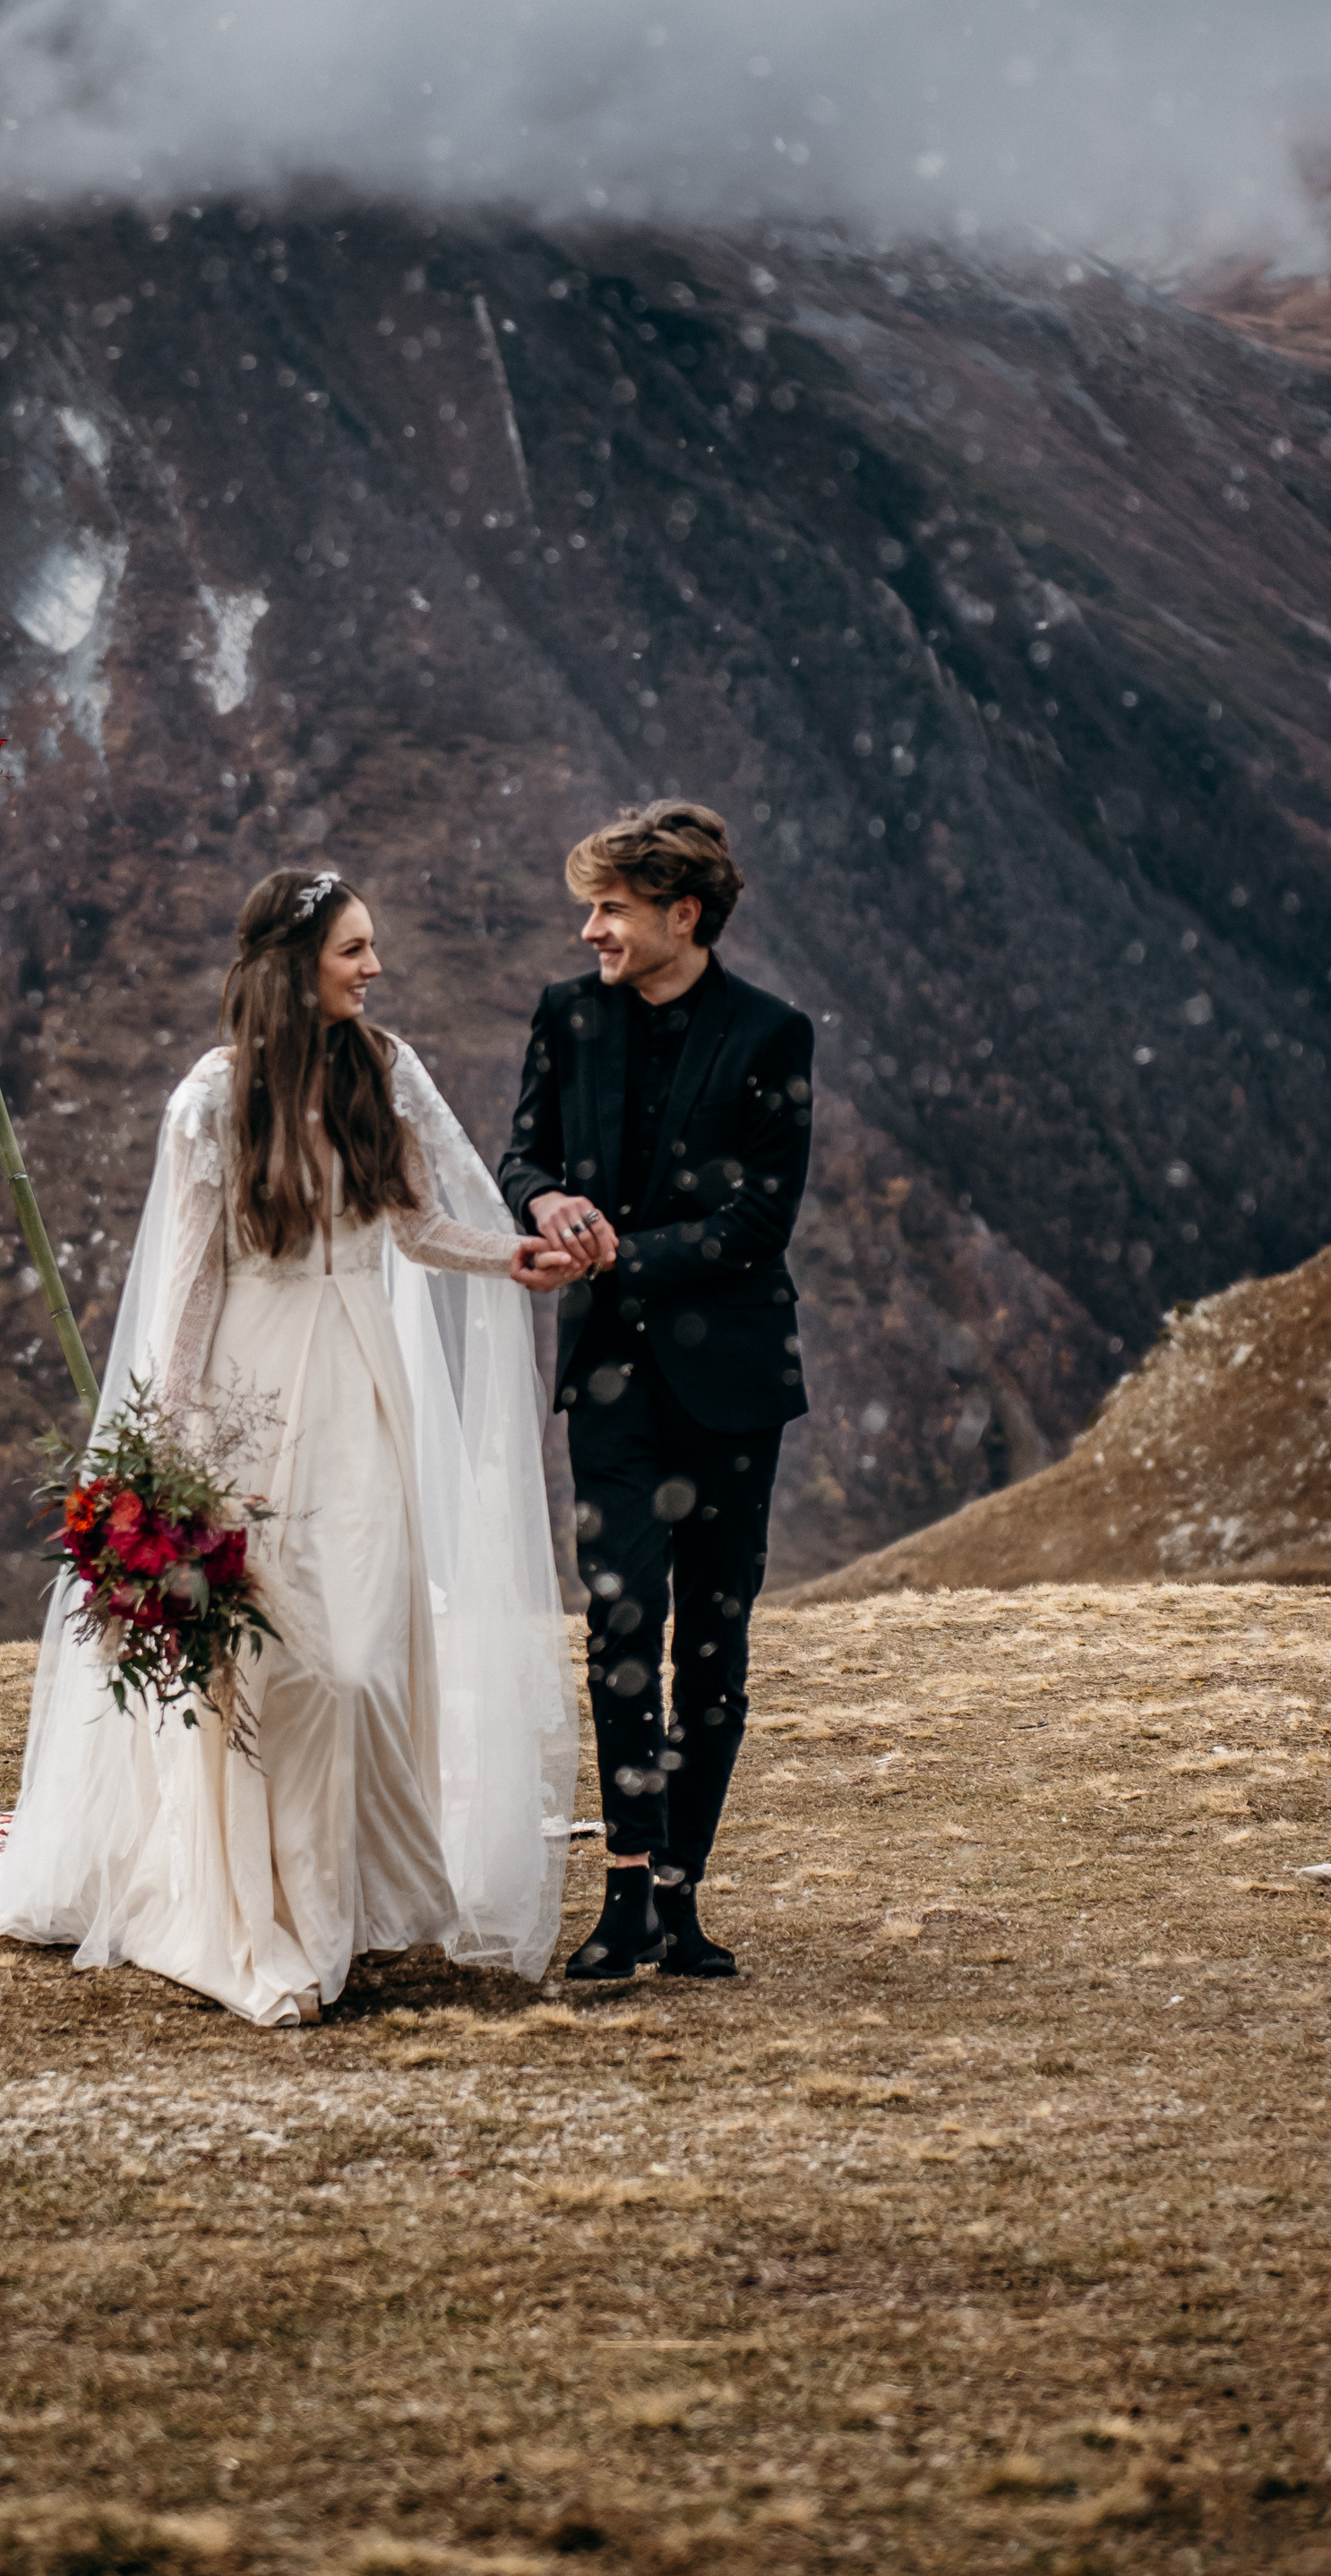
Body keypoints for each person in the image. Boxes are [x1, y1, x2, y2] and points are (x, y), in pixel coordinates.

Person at [0, 868, 580, 2026]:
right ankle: (260, 1915)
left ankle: (347, 1899)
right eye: (353, 950)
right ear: (293, 966)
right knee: (277, 1662)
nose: (375, 968)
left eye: (372, 946)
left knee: (362, 1658)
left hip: (362, 1396)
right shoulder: (215, 1096)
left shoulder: (383, 1068)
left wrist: (512, 1260)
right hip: (249, 1400)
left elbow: (420, 1226)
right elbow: (189, 1290)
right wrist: (168, 1464)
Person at [497, 802, 814, 1981]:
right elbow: (521, 1153)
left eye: (611, 909)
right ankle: (625, 1891)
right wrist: (543, 1203)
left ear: (685, 915)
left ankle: (683, 1895)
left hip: (732, 1382)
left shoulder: (771, 1033)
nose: (590, 931)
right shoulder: (566, 1016)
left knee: (713, 1648)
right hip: (611, 1380)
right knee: (622, 1624)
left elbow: (759, 1221)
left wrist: (621, 1253)